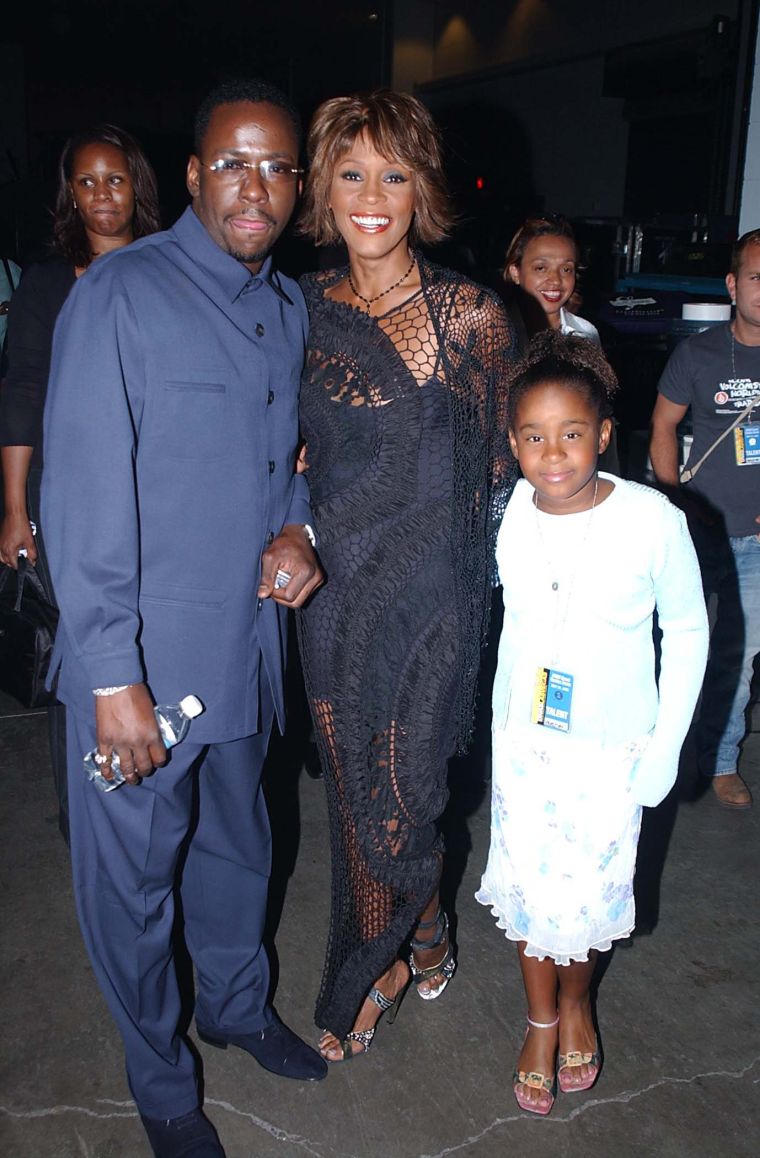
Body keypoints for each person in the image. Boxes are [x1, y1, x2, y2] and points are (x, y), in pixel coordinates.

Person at [41, 79, 326, 1158]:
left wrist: (297, 527)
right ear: (198, 174)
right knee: (134, 892)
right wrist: (112, 676)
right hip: (144, 672)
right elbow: (81, 492)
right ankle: (163, 1087)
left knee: (239, 850)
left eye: (278, 166)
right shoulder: (121, 296)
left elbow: (286, 461)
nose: (257, 186)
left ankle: (237, 1008)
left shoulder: (285, 306)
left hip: (243, 653)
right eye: (234, 163)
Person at [296, 89, 517, 1062]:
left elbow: (506, 468)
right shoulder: (298, 309)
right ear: (322, 189)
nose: (372, 197)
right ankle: (408, 942)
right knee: (355, 796)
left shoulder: (472, 315)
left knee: (410, 793)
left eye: (393, 175)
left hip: (433, 600)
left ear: (422, 188)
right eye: (351, 174)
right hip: (334, 594)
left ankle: (385, 956)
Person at [476, 332, 708, 1115]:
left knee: (586, 899)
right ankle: (541, 1019)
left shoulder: (652, 519)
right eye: (533, 436)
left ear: (604, 434)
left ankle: (577, 1002)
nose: (553, 454)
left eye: (571, 433)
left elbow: (689, 629)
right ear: (513, 443)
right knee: (529, 889)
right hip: (525, 744)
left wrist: (667, 746)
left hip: (612, 750)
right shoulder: (509, 511)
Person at [0, 125, 160, 840]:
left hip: (157, 495)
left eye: (114, 179)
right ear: (70, 192)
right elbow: (21, 393)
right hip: (67, 498)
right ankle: (85, 812)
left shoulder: (169, 269)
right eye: (86, 181)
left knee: (152, 638)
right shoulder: (46, 282)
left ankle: (153, 792)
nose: (101, 194)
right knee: (82, 648)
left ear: (137, 186)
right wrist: (14, 508)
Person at [650, 229, 760, 810]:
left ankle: (720, 759)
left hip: (757, 541)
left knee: (736, 660)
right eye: (757, 277)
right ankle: (656, 751)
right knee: (669, 648)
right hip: (698, 534)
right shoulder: (698, 353)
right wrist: (673, 504)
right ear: (733, 285)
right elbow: (663, 425)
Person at [504, 215, 600, 343]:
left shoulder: (586, 333)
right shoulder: (494, 333)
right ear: (515, 272)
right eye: (541, 268)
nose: (556, 280)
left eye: (566, 269)